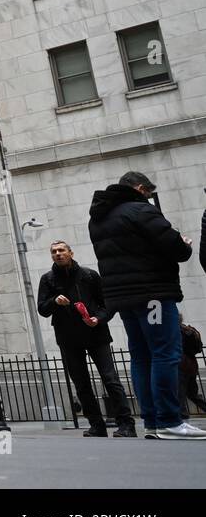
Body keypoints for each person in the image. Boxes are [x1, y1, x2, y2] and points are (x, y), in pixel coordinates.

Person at [88, 170, 204, 439]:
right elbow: (176, 249)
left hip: (124, 298)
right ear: (140, 188)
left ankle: (152, 421)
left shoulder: (98, 219)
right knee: (165, 353)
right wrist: (183, 243)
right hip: (152, 294)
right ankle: (169, 420)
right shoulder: (141, 211)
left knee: (141, 356)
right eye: (149, 193)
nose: (150, 198)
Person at [36, 241, 135, 437]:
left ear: (70, 253)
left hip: (96, 333)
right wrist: (55, 301)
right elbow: (42, 308)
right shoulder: (47, 279)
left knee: (110, 379)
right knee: (81, 383)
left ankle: (126, 424)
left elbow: (106, 303)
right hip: (68, 337)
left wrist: (98, 318)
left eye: (61, 250)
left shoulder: (89, 276)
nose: (58, 254)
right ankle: (96, 425)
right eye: (54, 252)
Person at [181, 320, 206, 419]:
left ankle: (182, 417)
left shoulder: (176, 331)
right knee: (192, 394)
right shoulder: (188, 329)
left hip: (181, 365)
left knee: (180, 394)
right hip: (191, 365)